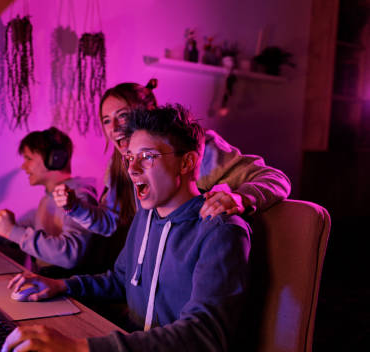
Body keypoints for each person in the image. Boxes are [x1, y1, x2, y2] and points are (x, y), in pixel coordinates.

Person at [1, 105, 254, 352]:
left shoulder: (220, 231)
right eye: (130, 157)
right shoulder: (145, 216)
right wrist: (61, 285)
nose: (132, 168)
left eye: (147, 156)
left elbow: (202, 338)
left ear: (187, 162)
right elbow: (121, 281)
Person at [53, 79, 291, 237]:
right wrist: (74, 207)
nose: (114, 128)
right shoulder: (120, 163)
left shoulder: (197, 149)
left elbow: (275, 178)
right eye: (106, 120)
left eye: (122, 116)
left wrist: (240, 198)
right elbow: (110, 223)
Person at [0, 127, 105, 276]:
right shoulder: (48, 198)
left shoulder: (78, 198)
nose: (23, 166)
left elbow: (71, 255)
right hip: (47, 281)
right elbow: (31, 229)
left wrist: (11, 231)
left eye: (28, 158)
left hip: (69, 289)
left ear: (55, 158)